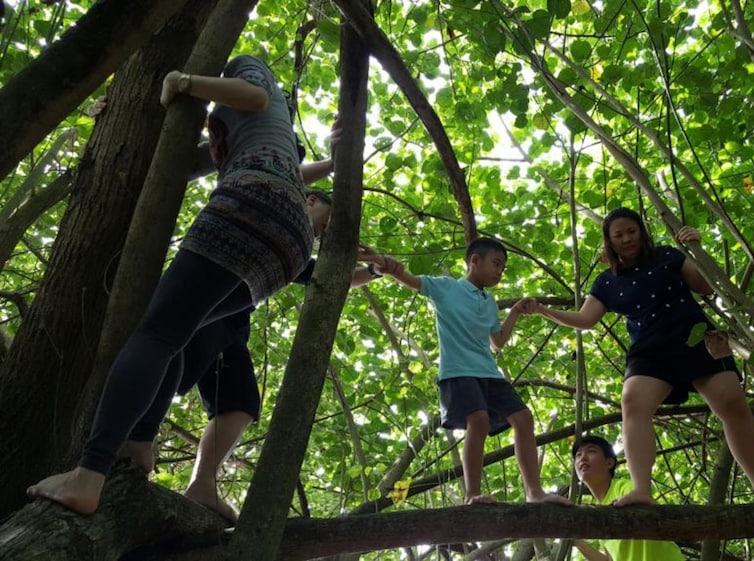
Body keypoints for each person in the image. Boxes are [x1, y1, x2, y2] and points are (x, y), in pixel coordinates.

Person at [27, 54, 369, 515]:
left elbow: (254, 94)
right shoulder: (253, 138)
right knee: (176, 335)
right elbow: (181, 165)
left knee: (157, 334)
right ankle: (139, 443)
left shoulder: (247, 69)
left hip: (250, 208)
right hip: (286, 248)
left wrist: (183, 81)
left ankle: (89, 473)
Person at [522, 208, 754, 505]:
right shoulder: (607, 281)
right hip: (650, 347)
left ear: (642, 232)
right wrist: (542, 310)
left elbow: (706, 285)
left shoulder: (668, 255)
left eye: (631, 231)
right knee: (633, 403)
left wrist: (695, 248)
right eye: (619, 235)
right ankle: (641, 490)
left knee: (732, 403)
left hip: (696, 335)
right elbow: (585, 319)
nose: (627, 239)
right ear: (609, 242)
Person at [121, 248, 390, 523]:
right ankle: (132, 442)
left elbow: (331, 276)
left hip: (231, 328)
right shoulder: (280, 234)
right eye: (326, 225)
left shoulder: (289, 253)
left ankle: (201, 484)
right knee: (166, 368)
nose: (324, 234)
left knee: (240, 402)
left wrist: (374, 270)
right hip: (202, 303)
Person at [378, 238, 570, 505]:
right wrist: (385, 266)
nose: (499, 272)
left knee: (524, 418)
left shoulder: (489, 301)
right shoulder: (447, 287)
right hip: (458, 371)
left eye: (503, 267)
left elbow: (497, 341)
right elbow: (410, 280)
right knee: (478, 420)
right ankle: (472, 494)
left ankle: (534, 492)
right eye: (496, 264)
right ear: (475, 261)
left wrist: (514, 312)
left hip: (489, 373)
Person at [572, 435, 685, 561]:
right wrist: (578, 542)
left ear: (609, 463)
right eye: (578, 455)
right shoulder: (599, 510)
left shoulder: (625, 488)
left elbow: (642, 509)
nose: (582, 458)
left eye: (591, 451)